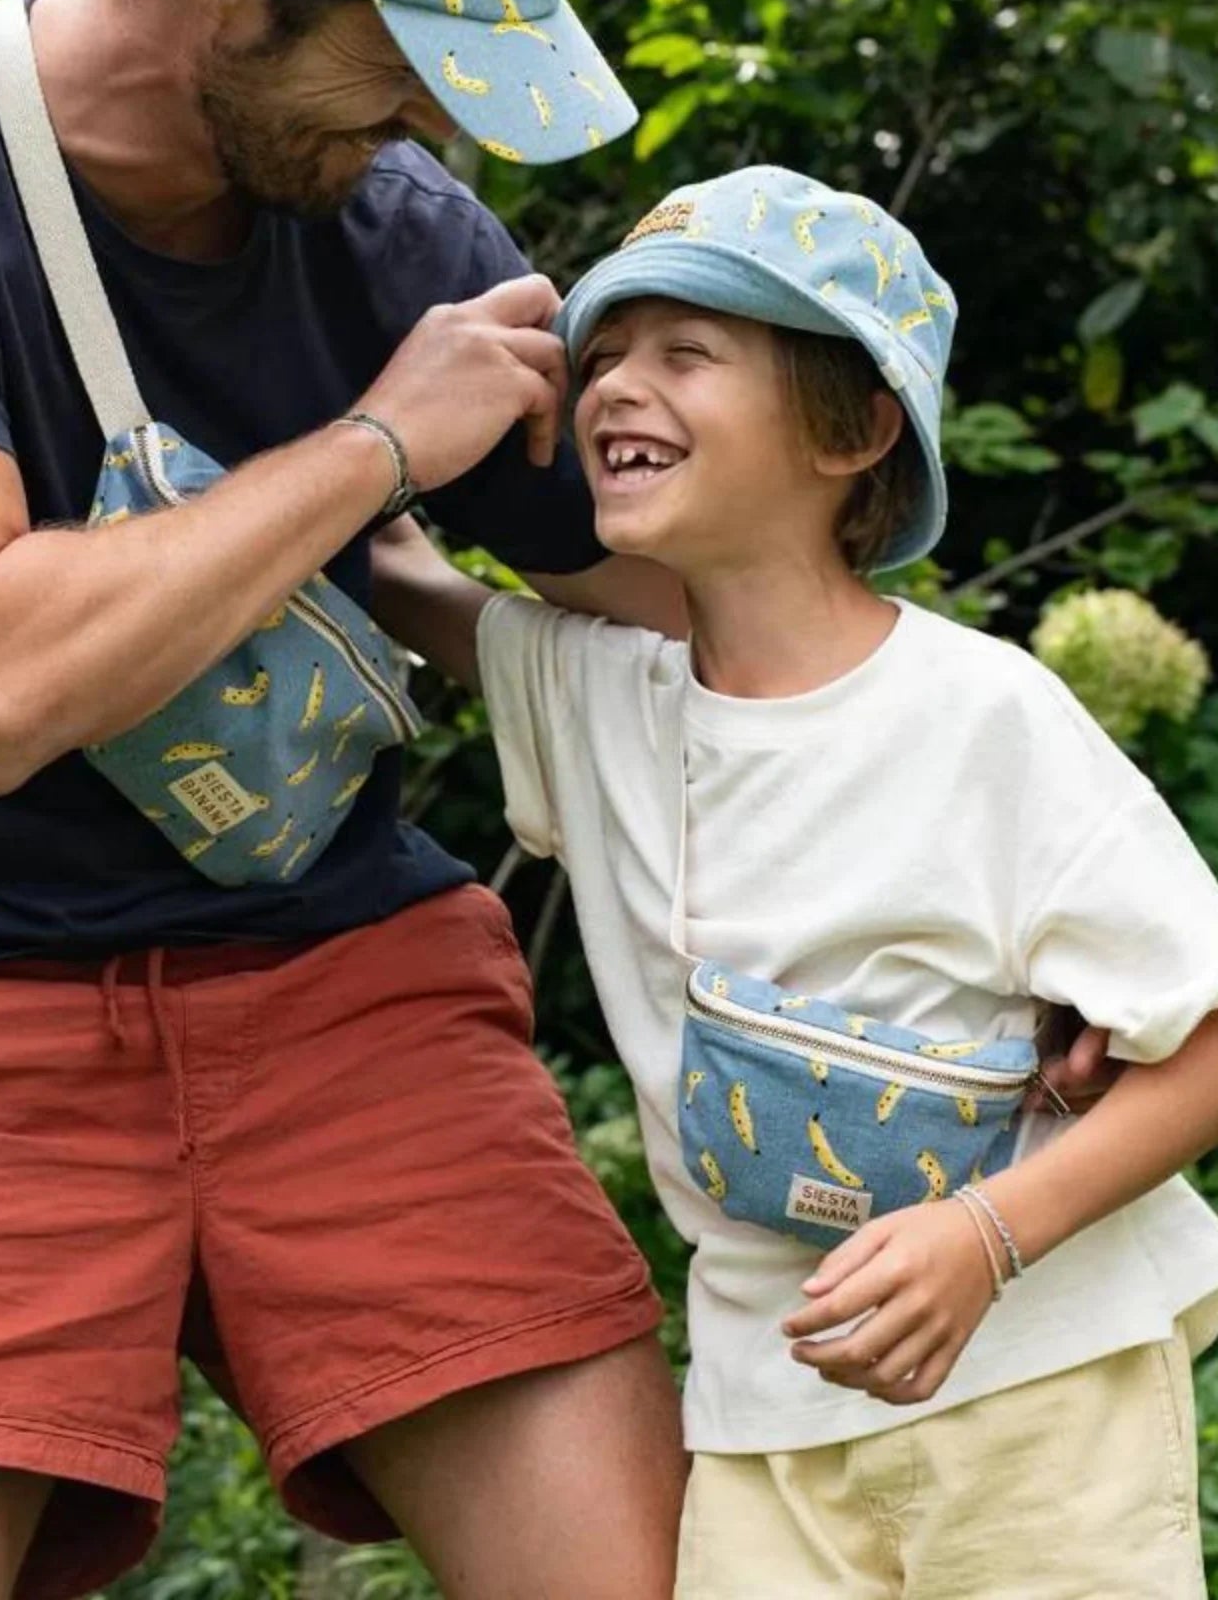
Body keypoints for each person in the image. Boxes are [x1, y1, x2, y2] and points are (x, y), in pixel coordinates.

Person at [0, 0, 691, 1600]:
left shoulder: (390, 224)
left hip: (340, 982)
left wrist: (982, 882)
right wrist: (381, 446)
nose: (442, 123)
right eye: (405, 60)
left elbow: (717, 622)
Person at [369, 164, 1218, 1598]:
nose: (619, 388)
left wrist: (987, 1235)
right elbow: (390, 571)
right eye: (607, 357)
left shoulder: (981, 717)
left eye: (687, 354)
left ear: (856, 427)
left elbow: (1200, 1035)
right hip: (761, 1430)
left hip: (1037, 1396)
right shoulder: (597, 701)